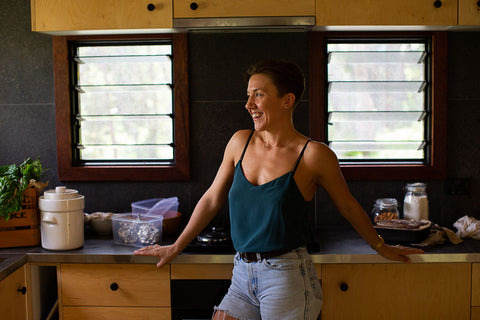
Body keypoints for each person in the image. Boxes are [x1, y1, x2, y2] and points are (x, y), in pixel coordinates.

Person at [134, 60, 424, 319]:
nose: (249, 104)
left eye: (258, 94)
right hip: (242, 273)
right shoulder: (240, 142)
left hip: (287, 277)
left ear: (287, 100)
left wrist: (379, 245)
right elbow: (211, 199)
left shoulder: (313, 155)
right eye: (248, 95)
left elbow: (347, 205)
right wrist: (176, 247)